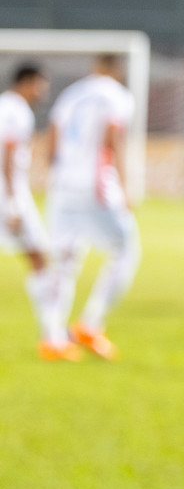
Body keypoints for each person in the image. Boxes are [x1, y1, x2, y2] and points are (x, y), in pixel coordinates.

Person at [40, 54, 138, 361]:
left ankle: (53, 339)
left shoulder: (71, 93)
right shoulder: (116, 95)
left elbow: (51, 142)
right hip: (95, 188)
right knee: (125, 250)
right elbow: (113, 139)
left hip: (62, 187)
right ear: (117, 70)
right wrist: (125, 186)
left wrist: (58, 175)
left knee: (63, 260)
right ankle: (90, 324)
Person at [0, 64, 65, 359]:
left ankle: (53, 334)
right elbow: (8, 154)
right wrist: (13, 203)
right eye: (41, 84)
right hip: (9, 195)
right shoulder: (17, 111)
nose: (43, 91)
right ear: (27, 82)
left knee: (39, 257)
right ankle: (52, 337)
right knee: (40, 257)